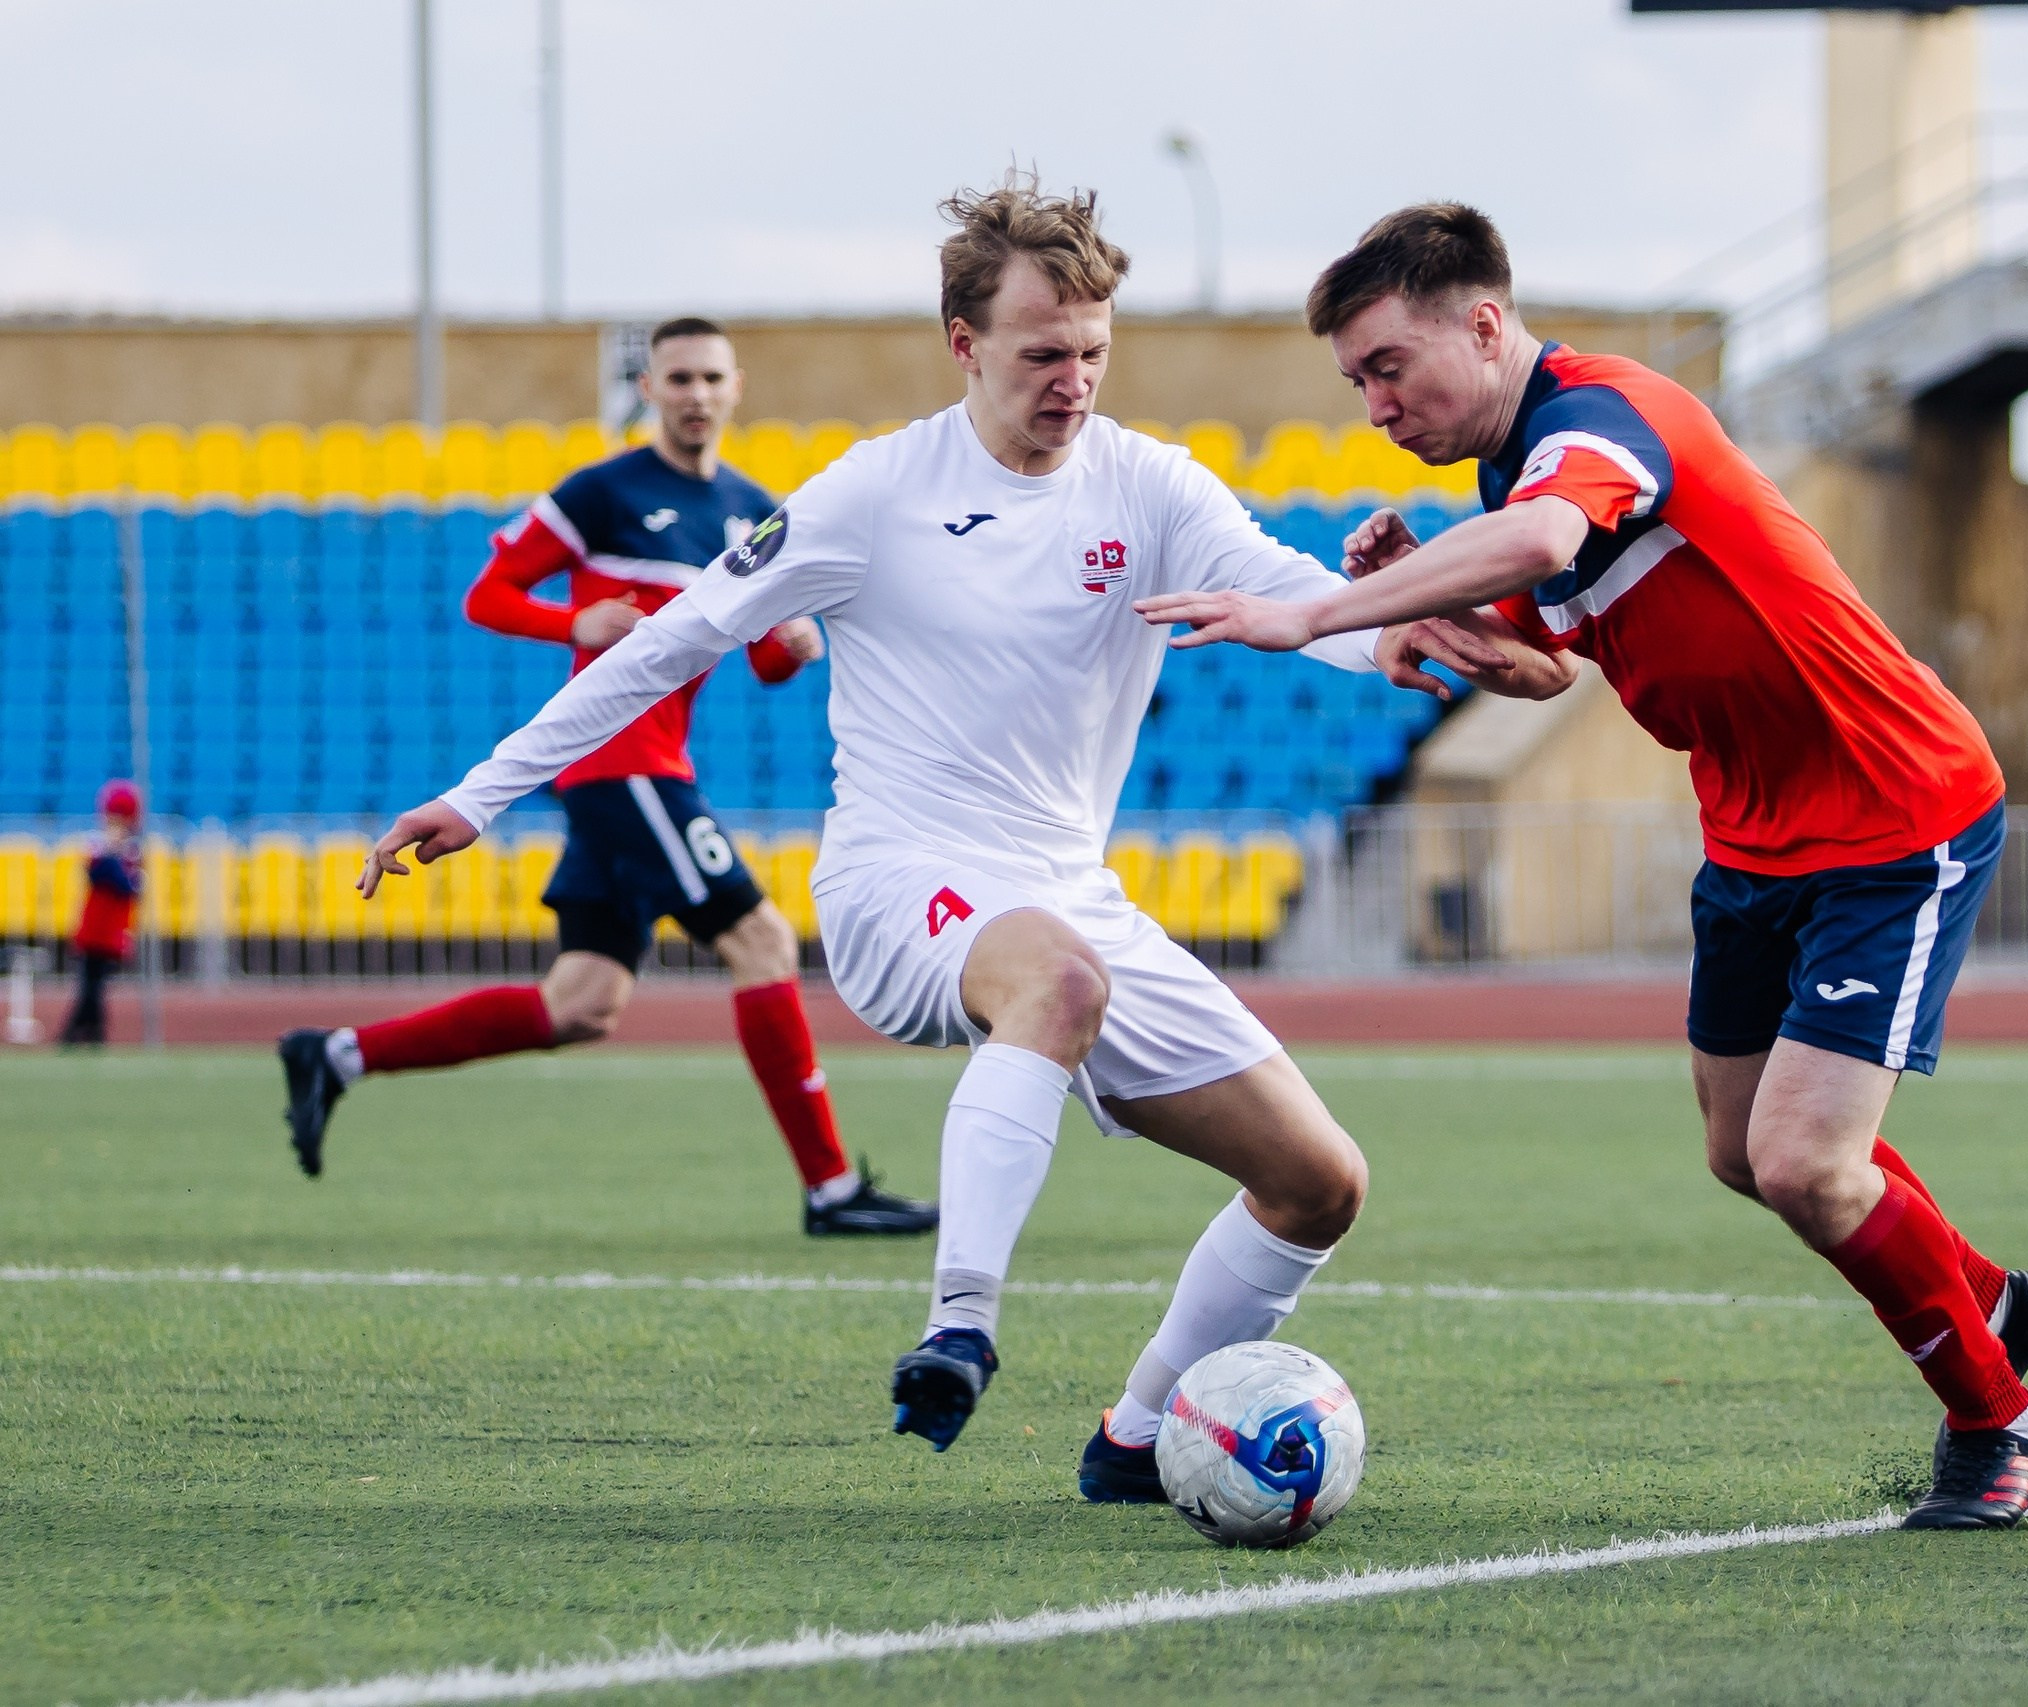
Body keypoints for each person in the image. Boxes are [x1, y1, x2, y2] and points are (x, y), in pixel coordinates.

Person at [351, 177, 1514, 1495]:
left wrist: (1406, 633)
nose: (1072, 381)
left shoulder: (1145, 482)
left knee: (1319, 1181)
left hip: (1072, 896)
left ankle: (1135, 1442)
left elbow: (1296, 594)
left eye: (1091, 353)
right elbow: (674, 642)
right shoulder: (873, 492)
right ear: (964, 343)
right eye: (1041, 354)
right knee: (1057, 980)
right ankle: (958, 1321)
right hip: (901, 885)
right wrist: (479, 795)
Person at [1135, 203, 2028, 1531]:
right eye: (1355, 383)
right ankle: (1985, 1301)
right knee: (1743, 1154)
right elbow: (1540, 661)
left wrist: (1315, 612)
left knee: (1809, 1161)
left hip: (1891, 810)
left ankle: (2003, 1421)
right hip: (1752, 832)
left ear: (1484, 322)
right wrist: (1436, 606)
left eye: (1388, 367)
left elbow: (1541, 544)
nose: (1375, 406)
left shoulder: (1603, 421)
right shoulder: (1510, 474)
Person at [277, 316, 935, 1239]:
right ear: (650, 389)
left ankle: (335, 1054)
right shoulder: (602, 492)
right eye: (679, 378)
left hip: (642, 769)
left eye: (711, 377)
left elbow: (767, 664)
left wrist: (792, 643)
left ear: (736, 387)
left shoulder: (753, 511)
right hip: (622, 762)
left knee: (581, 1002)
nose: (696, 394)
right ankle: (830, 1189)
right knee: (763, 942)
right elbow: (487, 595)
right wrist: (572, 626)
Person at [58, 779, 143, 1047]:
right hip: (94, 928)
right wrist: (110, 851)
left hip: (112, 930)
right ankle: (82, 1032)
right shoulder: (99, 847)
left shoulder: (130, 851)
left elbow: (128, 887)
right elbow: (96, 875)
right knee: (89, 984)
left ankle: (87, 1031)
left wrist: (117, 854)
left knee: (96, 984)